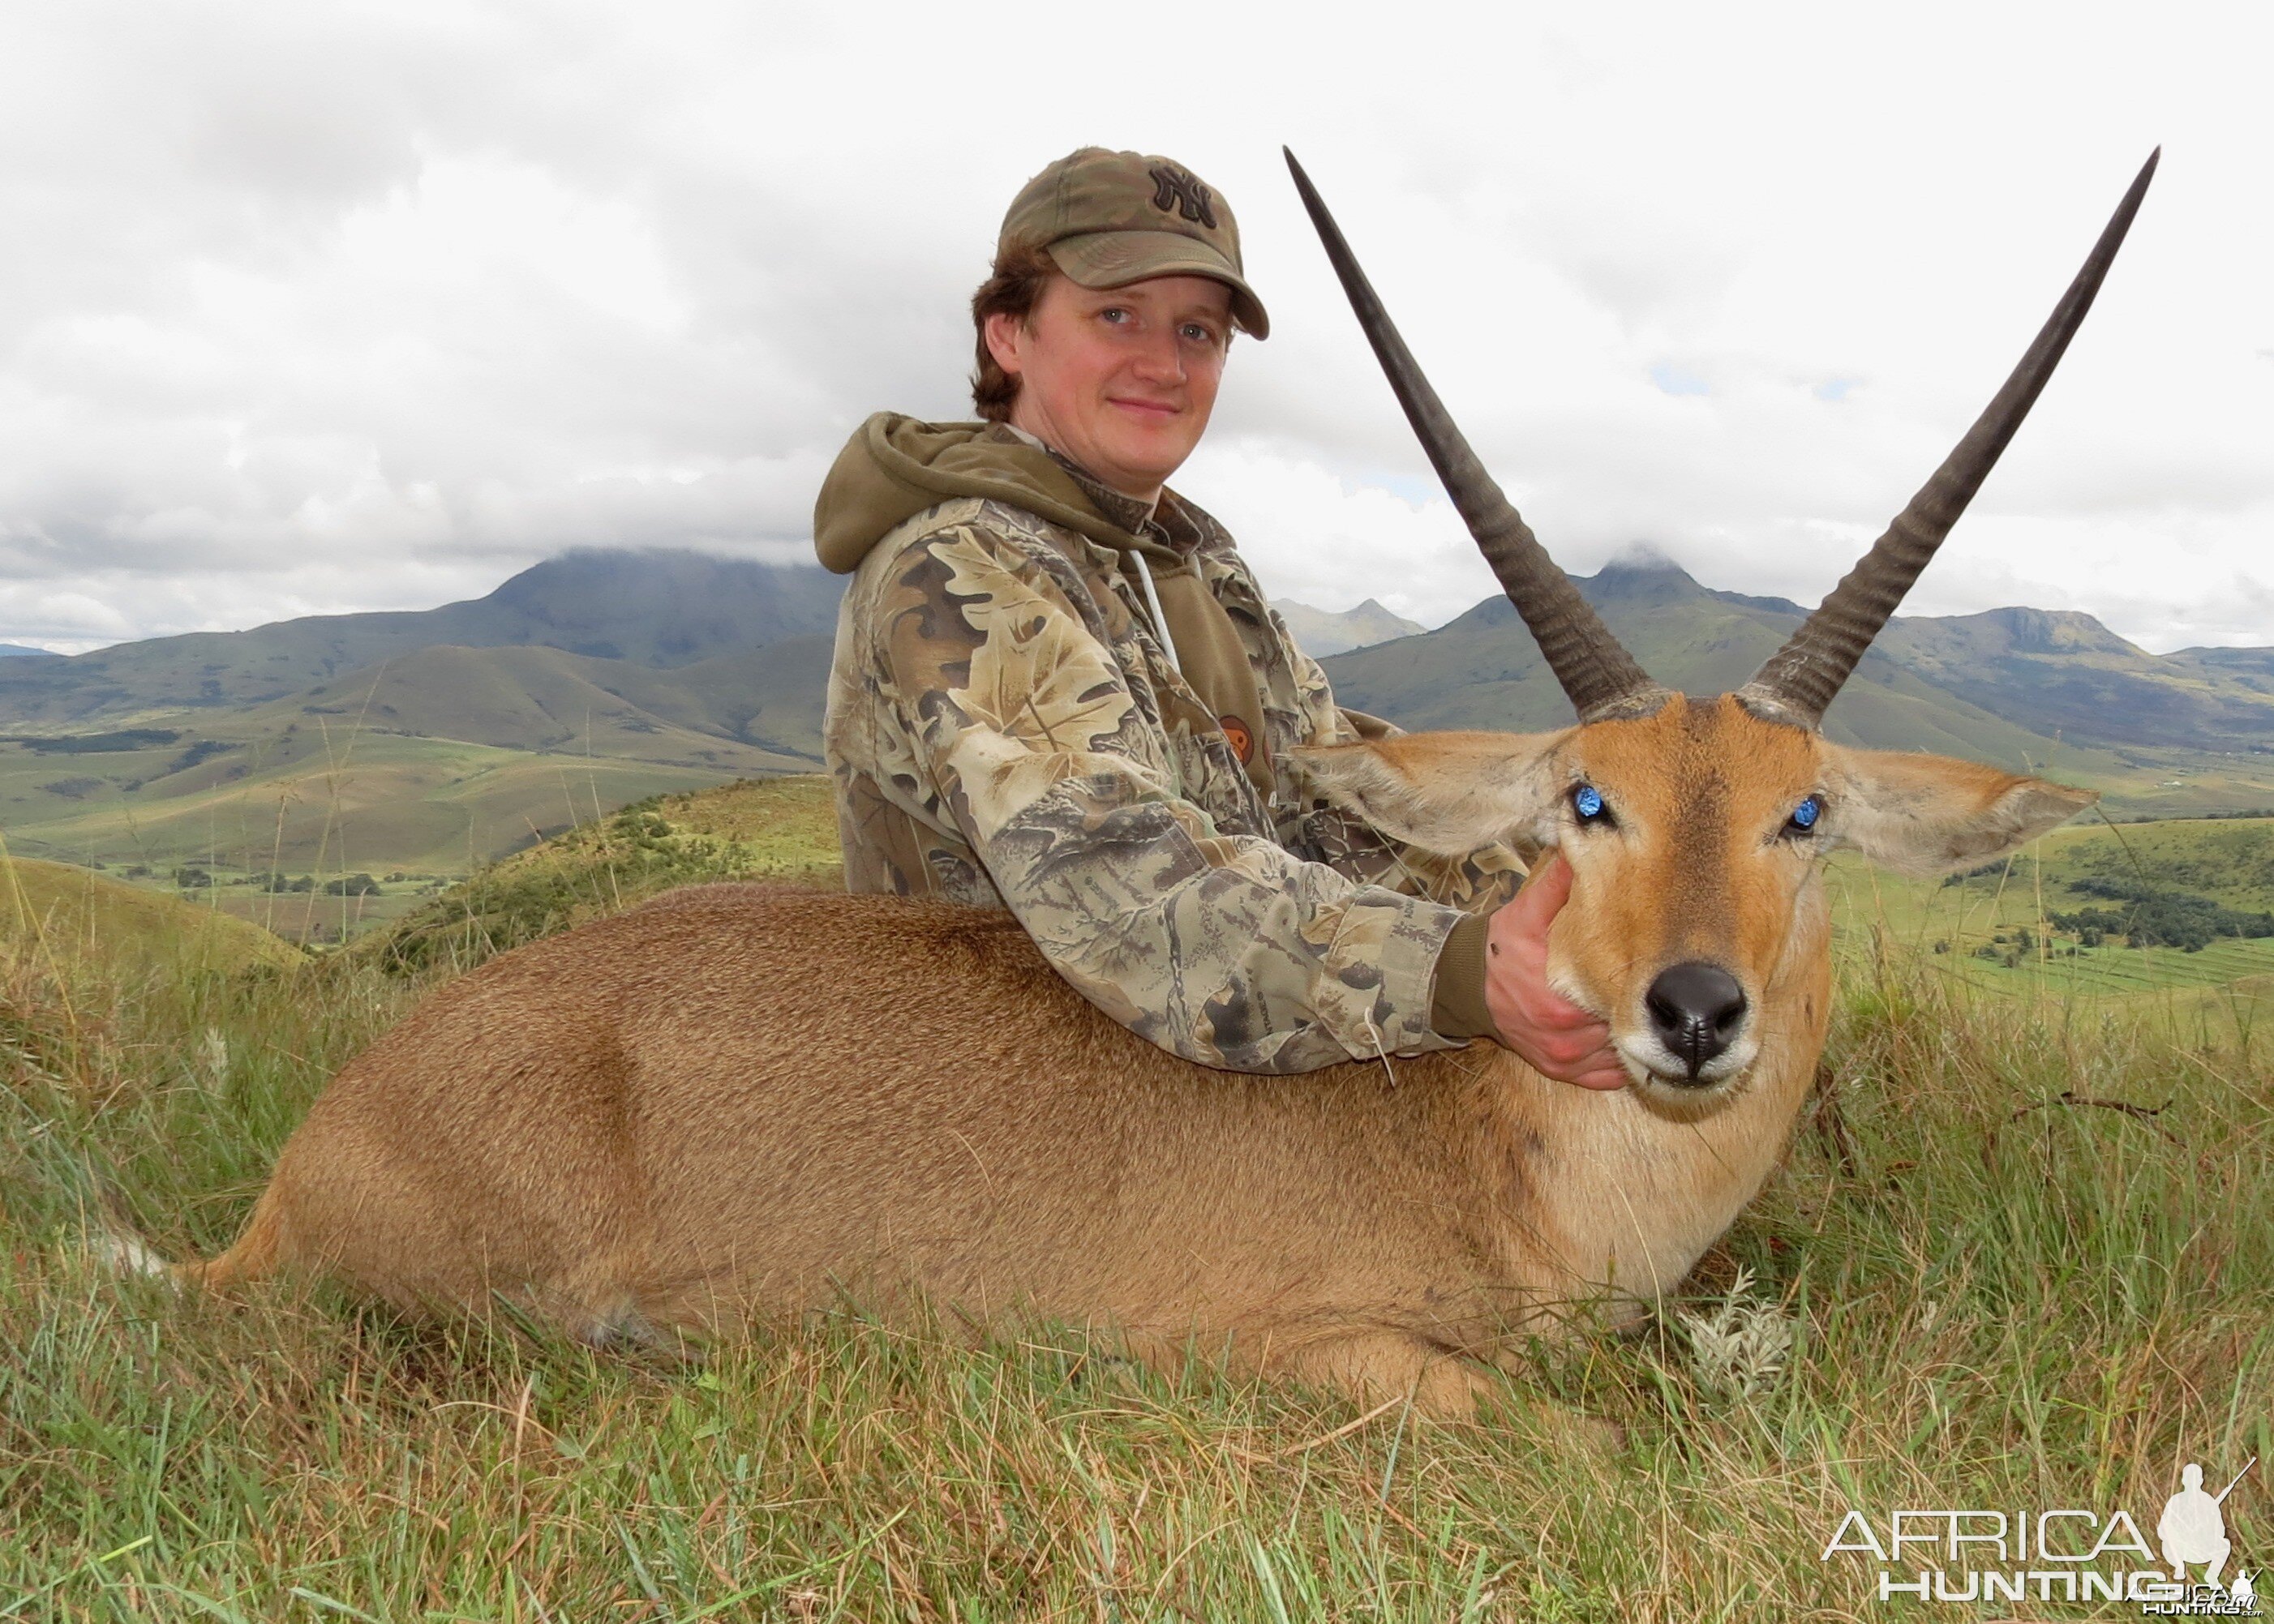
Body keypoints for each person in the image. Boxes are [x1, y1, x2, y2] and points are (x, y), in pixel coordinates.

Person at [813, 146, 1620, 1087]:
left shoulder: (1192, 564)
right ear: (1007, 333)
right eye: (1116, 315)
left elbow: (1337, 799)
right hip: (1007, 1114)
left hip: (1195, 1102)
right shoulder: (957, 569)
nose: (1163, 364)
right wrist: (1459, 973)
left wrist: (1584, 898)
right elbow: (1130, 894)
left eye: (1197, 331)